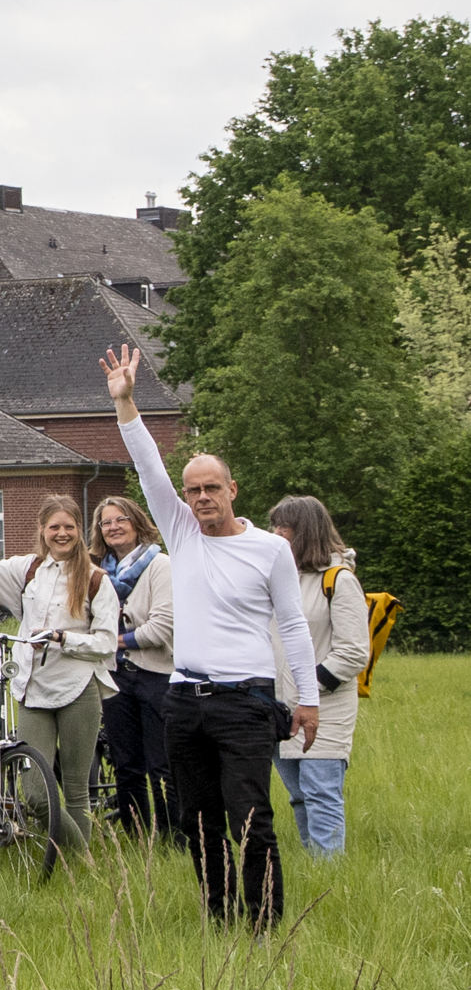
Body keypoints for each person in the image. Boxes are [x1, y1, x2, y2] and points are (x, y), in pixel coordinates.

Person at [107, 346, 318, 931]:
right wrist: (126, 402)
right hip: (185, 700)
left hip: (246, 702)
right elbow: (147, 465)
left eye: (211, 489)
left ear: (232, 490)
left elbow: (294, 624)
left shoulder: (270, 549)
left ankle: (264, 921)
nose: (200, 498)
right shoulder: (181, 531)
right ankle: (219, 913)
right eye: (192, 489)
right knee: (196, 819)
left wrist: (308, 699)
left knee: (250, 815)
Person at [0, 479, 120, 860]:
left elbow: (107, 643)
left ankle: (80, 874)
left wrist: (65, 638)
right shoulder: (26, 570)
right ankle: (85, 860)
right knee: (34, 791)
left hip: (79, 688)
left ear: (79, 530)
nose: (61, 534)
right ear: (42, 531)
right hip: (31, 689)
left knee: (77, 789)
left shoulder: (96, 580)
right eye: (54, 527)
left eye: (69, 527)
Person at [264, 497, 372, 857]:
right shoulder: (275, 579)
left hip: (325, 707)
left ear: (306, 531)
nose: (277, 534)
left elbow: (355, 650)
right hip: (279, 708)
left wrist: (309, 687)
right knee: (298, 796)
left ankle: (329, 875)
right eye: (275, 526)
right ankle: (315, 868)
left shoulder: (338, 580)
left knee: (321, 792)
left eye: (285, 527)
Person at [96, 495, 175, 839]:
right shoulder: (99, 572)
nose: (113, 527)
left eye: (120, 519)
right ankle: (136, 838)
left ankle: (174, 837)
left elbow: (162, 629)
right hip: (116, 677)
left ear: (137, 523)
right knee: (126, 764)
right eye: (106, 522)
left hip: (156, 675)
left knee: (162, 765)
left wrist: (110, 641)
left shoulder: (161, 566)